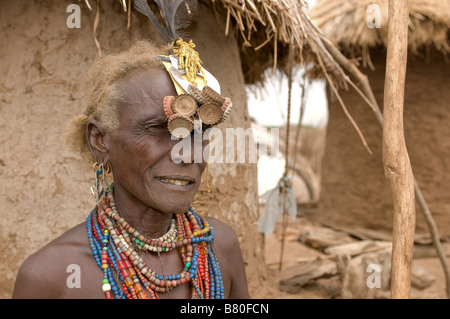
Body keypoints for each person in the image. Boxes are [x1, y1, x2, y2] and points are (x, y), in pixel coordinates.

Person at [12, 39, 249, 299]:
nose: (189, 153)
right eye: (160, 129)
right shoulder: (50, 277)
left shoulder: (220, 247)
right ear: (100, 140)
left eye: (199, 133)